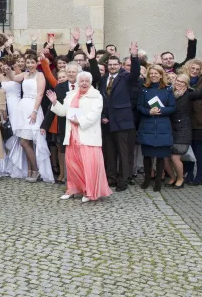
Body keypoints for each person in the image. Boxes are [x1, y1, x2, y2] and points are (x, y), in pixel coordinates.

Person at [47, 71, 111, 203]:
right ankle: (73, 189)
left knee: (88, 165)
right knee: (73, 164)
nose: (84, 83)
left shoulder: (96, 95)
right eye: (81, 81)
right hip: (72, 134)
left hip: (87, 135)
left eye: (87, 81)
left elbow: (95, 114)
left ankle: (89, 191)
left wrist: (80, 121)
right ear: (77, 82)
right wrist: (54, 103)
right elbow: (64, 111)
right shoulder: (71, 95)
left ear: (90, 82)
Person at [100, 43, 140, 192]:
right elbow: (103, 100)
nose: (112, 67)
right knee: (109, 152)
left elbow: (135, 73)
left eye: (115, 64)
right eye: (110, 64)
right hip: (107, 122)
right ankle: (111, 178)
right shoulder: (104, 79)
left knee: (123, 153)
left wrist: (134, 56)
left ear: (120, 65)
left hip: (123, 122)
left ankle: (123, 181)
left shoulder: (126, 77)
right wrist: (103, 115)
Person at [167, 72, 202, 188]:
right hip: (169, 128)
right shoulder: (168, 92)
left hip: (182, 129)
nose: (179, 83)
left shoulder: (188, 94)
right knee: (166, 157)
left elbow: (200, 93)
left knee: (175, 156)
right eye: (178, 81)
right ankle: (173, 177)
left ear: (186, 84)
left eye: (183, 82)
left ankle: (181, 178)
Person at [11, 51, 53, 183]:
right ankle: (30, 169)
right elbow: (13, 78)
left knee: (28, 142)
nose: (29, 65)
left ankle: (36, 170)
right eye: (27, 62)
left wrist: (35, 111)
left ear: (37, 63)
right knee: (25, 142)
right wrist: (10, 64)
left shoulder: (40, 75)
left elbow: (40, 94)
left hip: (33, 107)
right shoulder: (25, 74)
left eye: (32, 62)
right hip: (23, 107)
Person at [137, 65, 176, 192]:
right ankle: (147, 179)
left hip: (162, 125)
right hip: (147, 124)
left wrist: (160, 110)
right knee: (147, 156)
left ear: (161, 75)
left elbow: (172, 107)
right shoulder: (144, 89)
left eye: (156, 73)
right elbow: (139, 106)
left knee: (161, 156)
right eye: (151, 73)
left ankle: (158, 180)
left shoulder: (168, 89)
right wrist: (149, 112)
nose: (153, 75)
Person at [0, 56, 29, 180]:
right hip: (3, 105)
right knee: (4, 133)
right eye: (2, 66)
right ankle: (5, 166)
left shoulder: (18, 74)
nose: (4, 67)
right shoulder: (0, 77)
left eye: (6, 65)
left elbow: (15, 77)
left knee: (15, 133)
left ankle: (17, 166)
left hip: (16, 105)